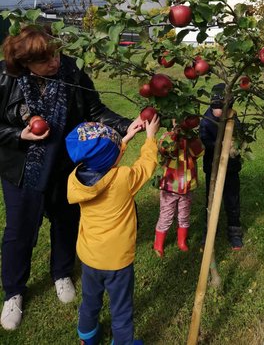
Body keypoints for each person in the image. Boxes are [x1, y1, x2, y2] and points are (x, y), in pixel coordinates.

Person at [0, 25, 141, 331]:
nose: (54, 62)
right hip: (22, 170)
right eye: (45, 60)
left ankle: (61, 273)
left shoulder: (71, 71)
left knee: (66, 221)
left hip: (64, 166)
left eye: (56, 53)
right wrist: (18, 134)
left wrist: (128, 125)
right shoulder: (5, 79)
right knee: (19, 231)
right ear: (24, 63)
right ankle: (13, 292)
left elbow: (94, 110)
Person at [66, 115, 160, 345]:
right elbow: (146, 166)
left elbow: (104, 163)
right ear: (112, 158)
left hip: (90, 256)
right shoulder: (123, 179)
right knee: (121, 308)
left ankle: (87, 336)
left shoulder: (76, 179)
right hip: (117, 261)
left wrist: (125, 138)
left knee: (90, 300)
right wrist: (150, 138)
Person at [200, 83, 244, 250]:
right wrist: (220, 145)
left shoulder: (233, 119)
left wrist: (234, 146)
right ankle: (209, 231)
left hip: (231, 170)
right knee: (210, 199)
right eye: (215, 107)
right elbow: (205, 139)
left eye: (223, 107)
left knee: (232, 200)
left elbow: (239, 137)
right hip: (213, 168)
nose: (219, 111)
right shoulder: (206, 120)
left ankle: (234, 232)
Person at [153, 123, 204, 257]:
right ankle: (158, 244)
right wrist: (174, 135)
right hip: (170, 186)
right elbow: (164, 149)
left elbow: (200, 151)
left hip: (187, 186)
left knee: (184, 214)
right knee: (166, 215)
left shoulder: (191, 138)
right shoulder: (168, 137)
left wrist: (191, 138)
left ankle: (181, 241)